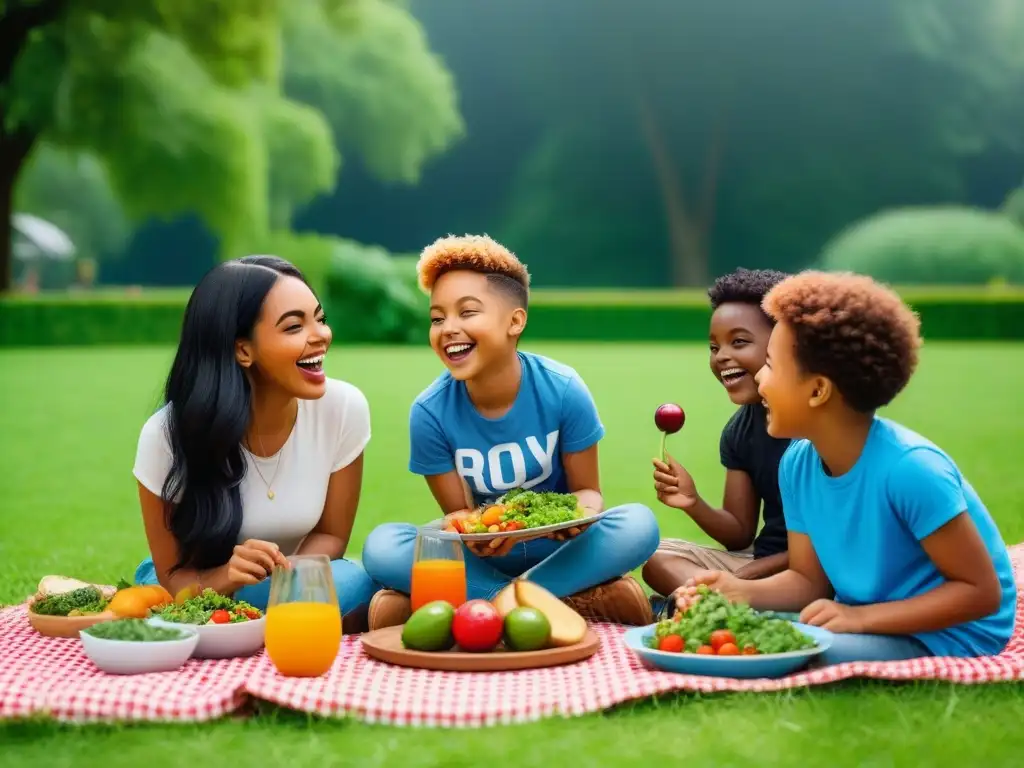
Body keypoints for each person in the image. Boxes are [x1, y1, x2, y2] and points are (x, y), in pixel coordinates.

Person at [674, 270, 1017, 665]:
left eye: (770, 365)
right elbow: (808, 582)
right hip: (873, 612)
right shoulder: (798, 464)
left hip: (950, 634)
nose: (761, 381)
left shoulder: (911, 469)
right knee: (735, 631)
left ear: (818, 390)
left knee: (794, 649)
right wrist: (736, 590)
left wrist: (860, 618)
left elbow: (980, 593)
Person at [361, 235, 660, 630]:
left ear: (514, 321)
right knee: (382, 546)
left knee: (638, 524)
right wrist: (477, 532)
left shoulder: (563, 389)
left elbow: (588, 492)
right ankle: (548, 599)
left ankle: (481, 601)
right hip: (485, 556)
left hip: (560, 549)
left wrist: (580, 515)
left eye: (467, 312)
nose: (448, 328)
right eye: (437, 318)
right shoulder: (429, 412)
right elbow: (458, 515)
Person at [132, 255, 380, 632]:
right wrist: (229, 576)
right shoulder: (167, 436)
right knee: (171, 596)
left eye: (321, 318)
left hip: (294, 576)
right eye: (295, 326)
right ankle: (256, 619)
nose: (321, 335)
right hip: (200, 582)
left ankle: (246, 620)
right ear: (243, 350)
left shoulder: (343, 408)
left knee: (352, 585)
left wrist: (283, 579)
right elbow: (175, 577)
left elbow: (332, 536)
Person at [643, 269, 792, 605]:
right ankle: (717, 603)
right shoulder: (740, 431)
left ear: (784, 342)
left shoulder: (813, 428)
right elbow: (739, 534)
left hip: (816, 569)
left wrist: (744, 577)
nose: (722, 356)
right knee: (657, 557)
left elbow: (831, 544)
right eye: (714, 346)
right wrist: (693, 502)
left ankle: (707, 605)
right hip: (758, 562)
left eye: (739, 342)